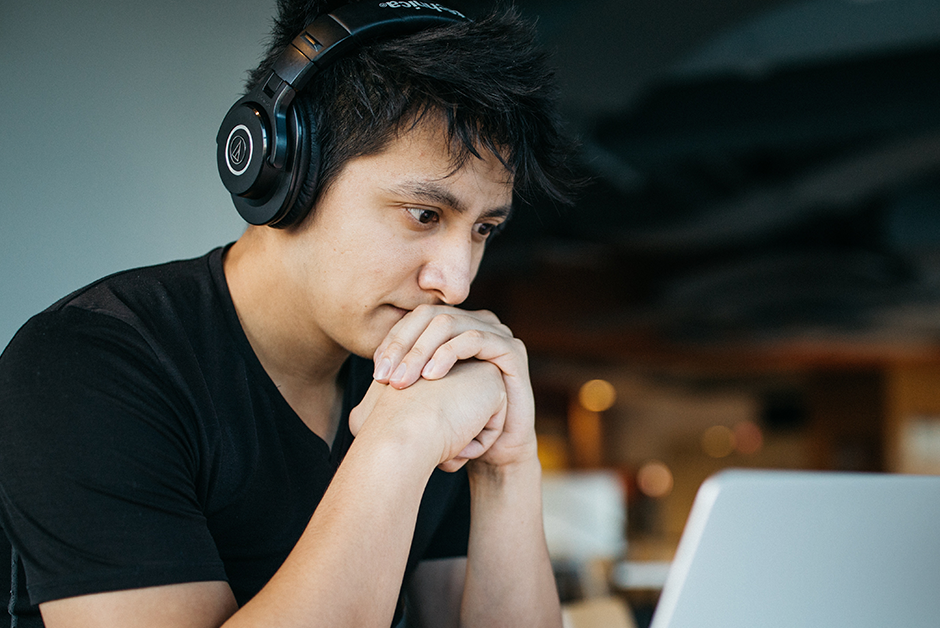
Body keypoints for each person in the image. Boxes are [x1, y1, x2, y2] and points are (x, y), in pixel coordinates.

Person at [0, 1, 577, 626]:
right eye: (423, 215)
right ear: (286, 174)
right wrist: (397, 443)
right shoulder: (87, 366)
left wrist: (505, 468)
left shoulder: (426, 375)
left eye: (483, 228)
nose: (456, 283)